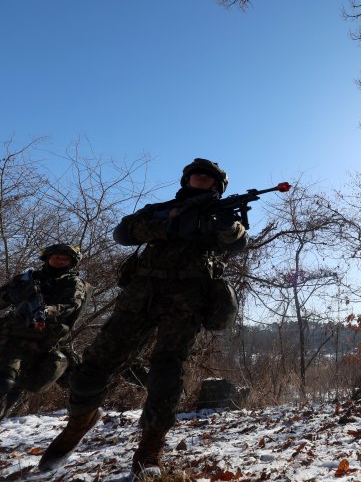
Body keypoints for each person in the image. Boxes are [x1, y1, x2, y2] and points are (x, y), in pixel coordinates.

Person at [39, 158, 248, 479]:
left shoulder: (222, 215)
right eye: (196, 175)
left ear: (217, 185)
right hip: (140, 296)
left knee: (167, 373)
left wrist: (228, 229)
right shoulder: (160, 210)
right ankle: (80, 421)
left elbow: (238, 242)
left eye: (208, 177)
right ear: (186, 180)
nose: (201, 179)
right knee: (93, 366)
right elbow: (123, 233)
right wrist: (165, 226)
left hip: (186, 302)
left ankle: (150, 450)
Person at [0, 244, 89, 420]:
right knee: (5, 382)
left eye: (65, 259)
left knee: (13, 386)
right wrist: (13, 295)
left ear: (72, 262)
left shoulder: (73, 283)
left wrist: (48, 310)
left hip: (41, 343)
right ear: (47, 258)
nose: (60, 261)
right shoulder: (26, 279)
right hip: (10, 338)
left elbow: (71, 305)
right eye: (56, 258)